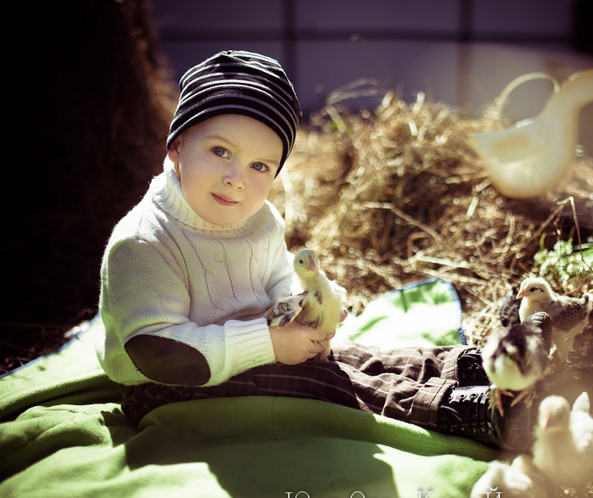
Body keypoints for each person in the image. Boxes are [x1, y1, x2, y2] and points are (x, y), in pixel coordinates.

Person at [97, 50, 538, 453]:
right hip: (170, 384)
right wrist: (269, 344)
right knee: (324, 384)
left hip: (256, 345)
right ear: (177, 146)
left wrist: (306, 304)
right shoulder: (145, 241)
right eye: (220, 151)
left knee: (350, 358)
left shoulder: (259, 220)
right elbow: (158, 351)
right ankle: (466, 410)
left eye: (259, 166)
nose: (237, 179)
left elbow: (276, 279)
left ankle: (480, 366)